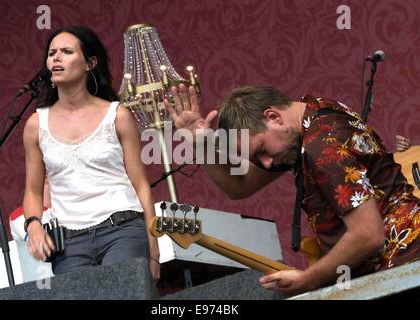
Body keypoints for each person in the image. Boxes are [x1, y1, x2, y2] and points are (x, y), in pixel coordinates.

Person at [164, 84, 420, 296]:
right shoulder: (314, 112)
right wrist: (204, 146)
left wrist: (308, 279)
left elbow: (367, 234)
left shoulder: (321, 146)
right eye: (255, 159)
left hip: (402, 265)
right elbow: (239, 186)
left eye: (262, 150)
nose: (265, 164)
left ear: (273, 117)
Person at [22, 26, 160, 281]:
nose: (56, 58)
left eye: (66, 51)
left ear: (90, 63)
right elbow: (32, 191)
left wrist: (154, 251)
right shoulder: (35, 125)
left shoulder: (117, 115)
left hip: (122, 228)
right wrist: (33, 226)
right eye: (52, 53)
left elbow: (141, 185)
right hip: (69, 246)